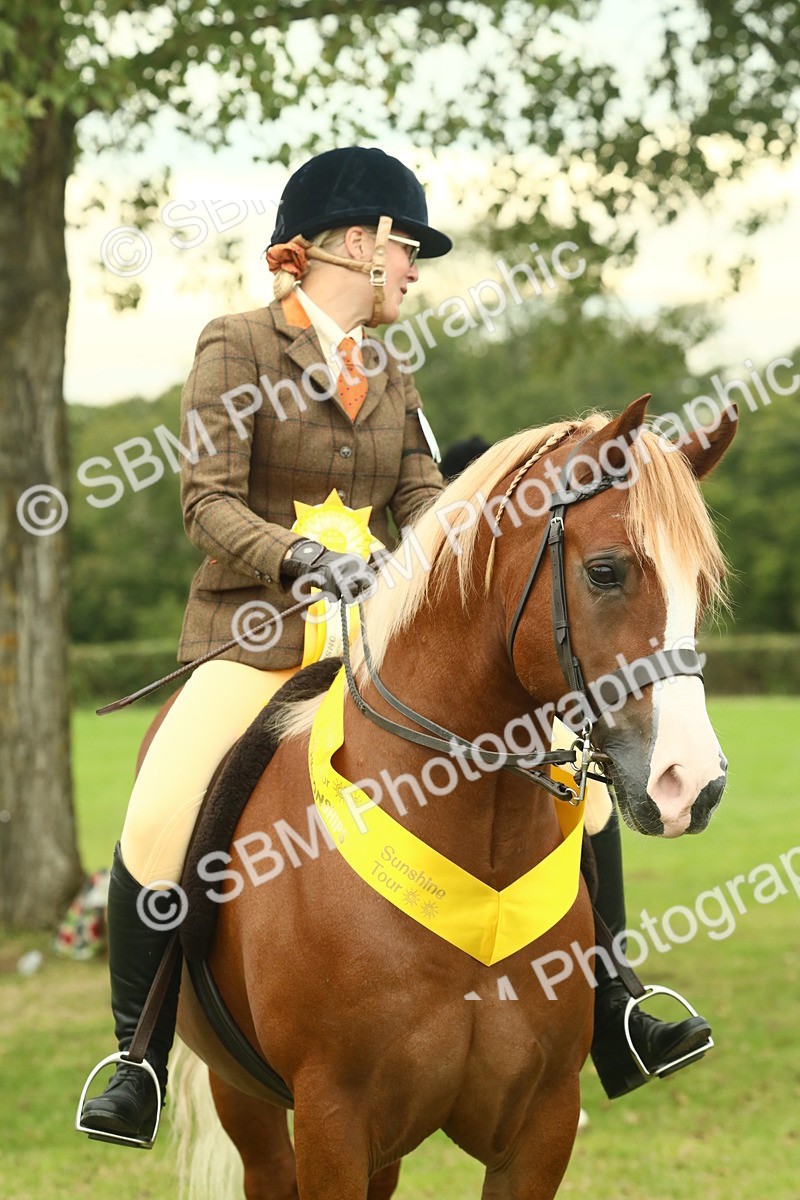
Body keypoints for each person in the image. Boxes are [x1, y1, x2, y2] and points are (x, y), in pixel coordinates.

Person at [78, 146, 709, 1149]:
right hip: (262, 635)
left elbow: (422, 494)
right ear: (359, 246)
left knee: (574, 784)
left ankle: (617, 1006)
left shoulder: (390, 366)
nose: (414, 270)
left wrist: (439, 549)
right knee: (161, 807)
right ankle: (136, 1056)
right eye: (406, 249)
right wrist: (298, 560)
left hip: (381, 634)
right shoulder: (233, 344)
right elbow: (205, 502)